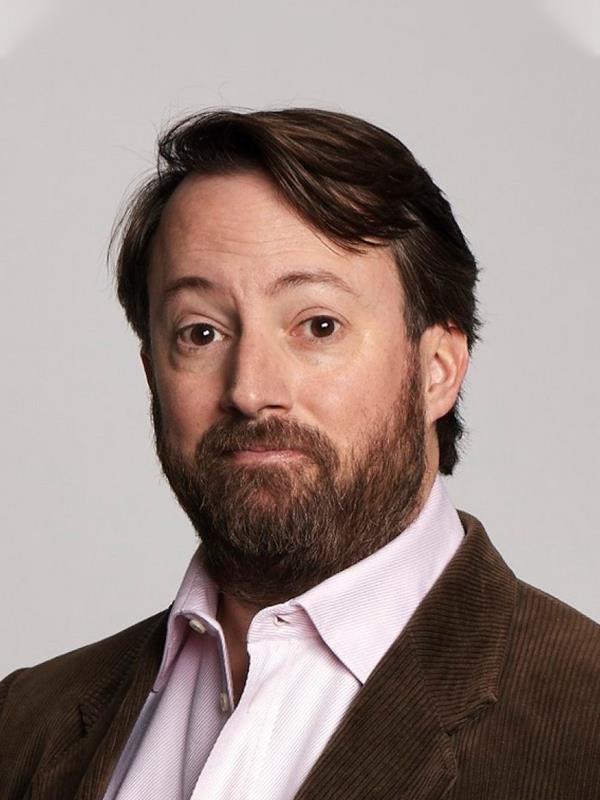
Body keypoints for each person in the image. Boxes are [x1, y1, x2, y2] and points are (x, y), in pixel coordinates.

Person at [1, 108, 599, 800]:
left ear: (437, 369)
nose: (251, 391)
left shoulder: (583, 724)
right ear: (152, 374)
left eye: (318, 325)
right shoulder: (21, 722)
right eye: (201, 333)